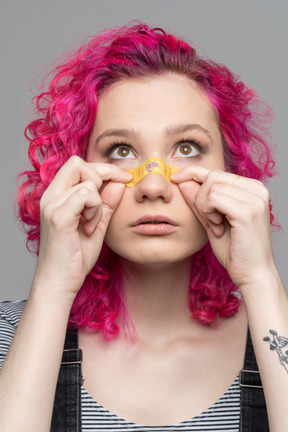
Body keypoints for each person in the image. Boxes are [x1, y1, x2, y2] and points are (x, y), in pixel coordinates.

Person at [0, 21, 287, 432]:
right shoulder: (10, 337)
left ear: (231, 173)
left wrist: (261, 279)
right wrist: (52, 284)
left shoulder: (277, 321)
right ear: (74, 176)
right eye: (121, 150)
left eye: (187, 148)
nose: (153, 186)